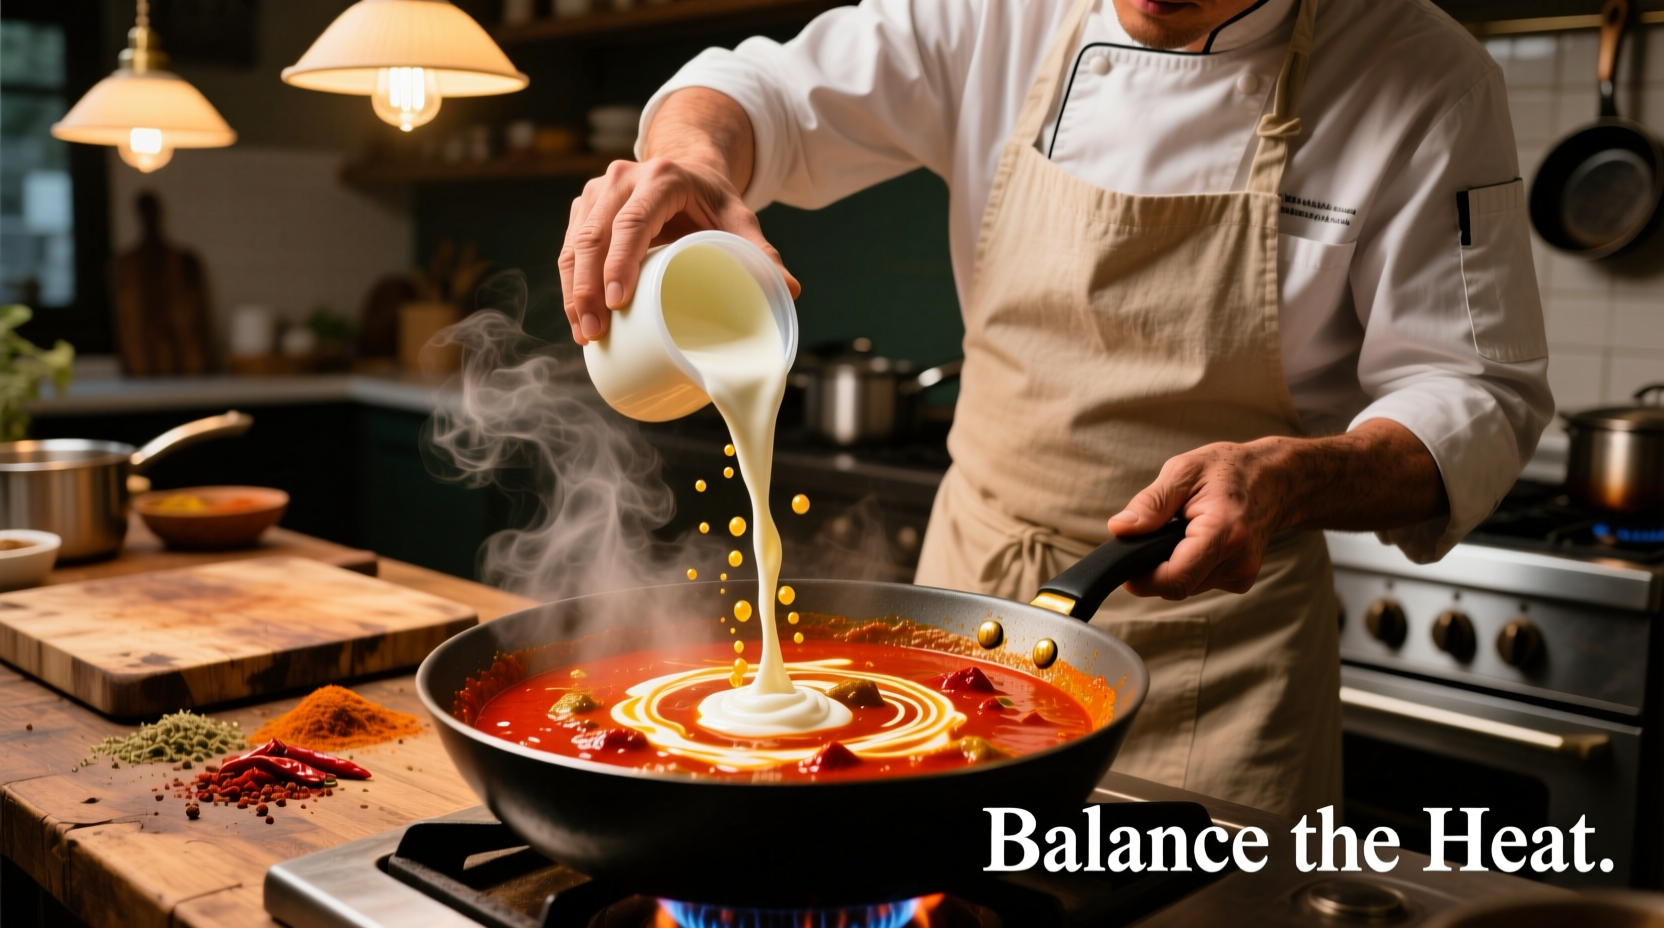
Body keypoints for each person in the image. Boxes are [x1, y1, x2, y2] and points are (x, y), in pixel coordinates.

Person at [558, 0, 1553, 817]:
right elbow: (756, 88)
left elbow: (1481, 393)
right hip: (971, 616)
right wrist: (690, 158)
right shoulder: (994, 15)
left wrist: (1293, 477)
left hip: (1223, 652)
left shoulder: (1421, 72)